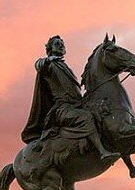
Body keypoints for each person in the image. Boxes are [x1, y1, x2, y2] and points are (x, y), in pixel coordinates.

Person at [21, 35, 120, 163]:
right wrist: (47, 60)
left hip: (76, 105)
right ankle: (102, 152)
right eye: (57, 44)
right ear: (50, 49)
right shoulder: (50, 65)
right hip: (63, 109)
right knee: (85, 117)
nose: (61, 46)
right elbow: (39, 65)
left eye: (62, 44)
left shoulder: (64, 66)